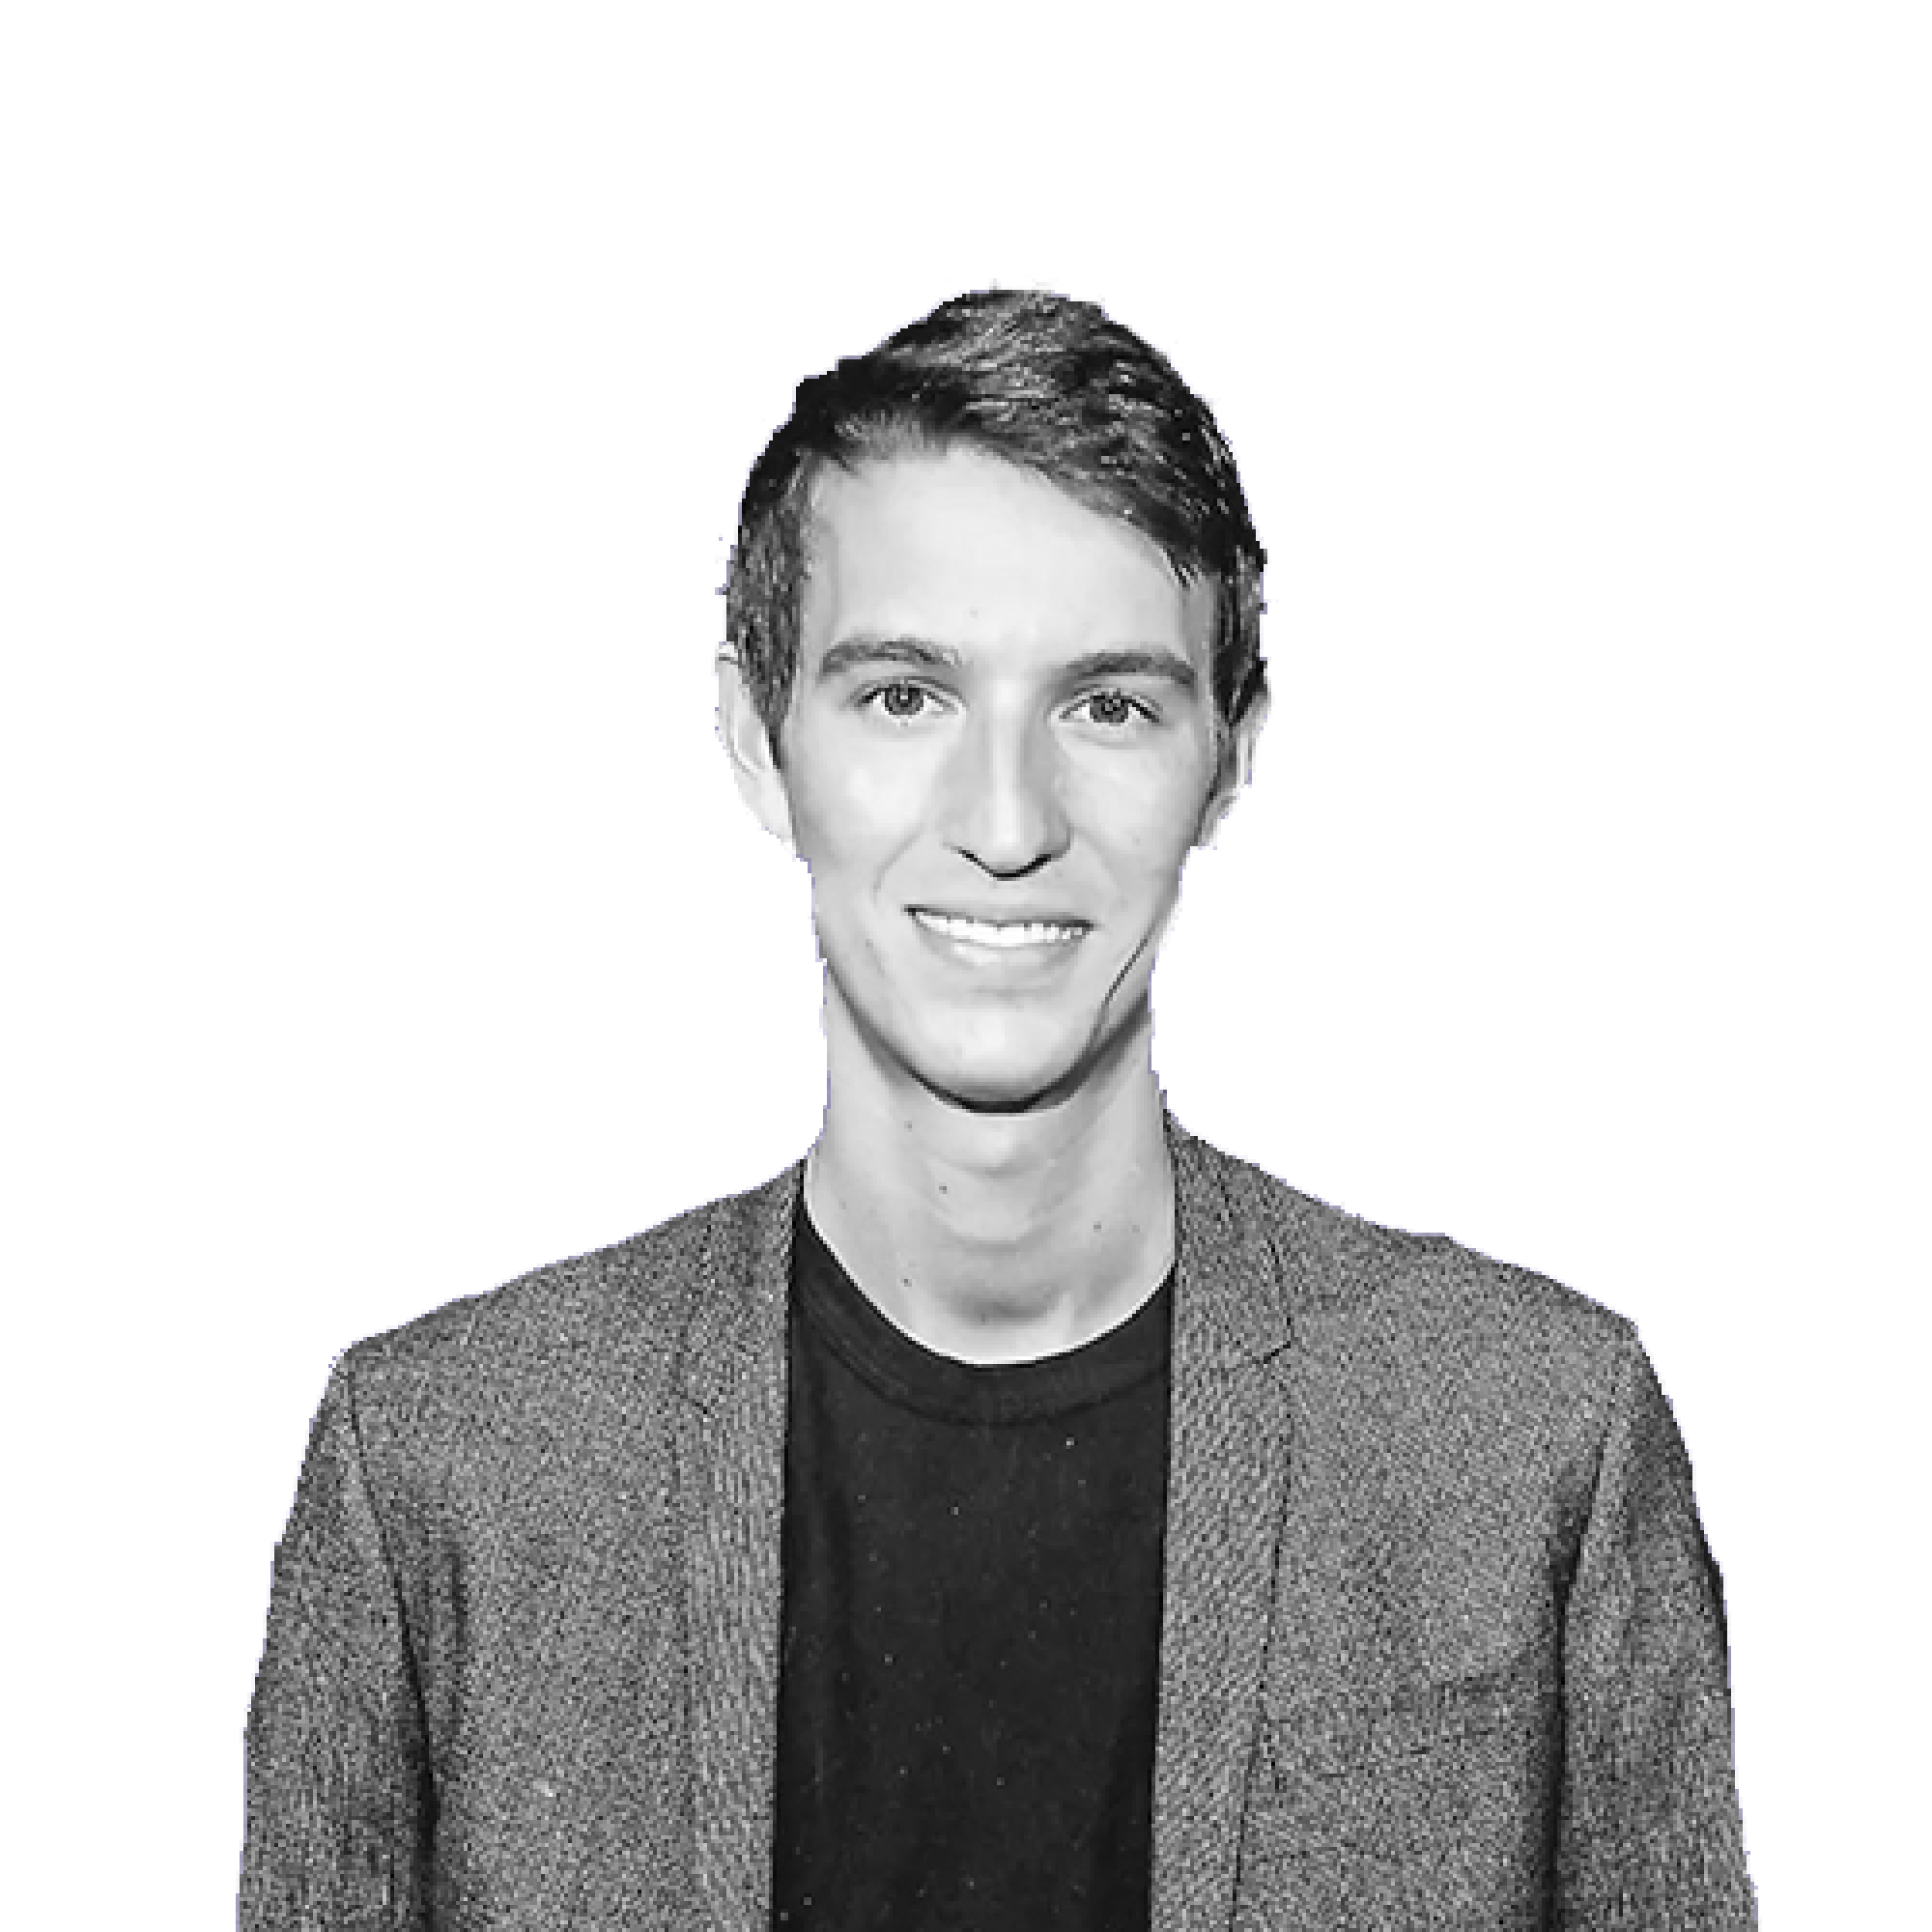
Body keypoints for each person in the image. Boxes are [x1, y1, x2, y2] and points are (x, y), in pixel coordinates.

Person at [240, 287, 1755, 1927]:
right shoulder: (435, 1471)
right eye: (906, 695)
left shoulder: (1541, 1445)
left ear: (1235, 755)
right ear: (754, 739)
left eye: (1108, 705)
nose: (1010, 821)